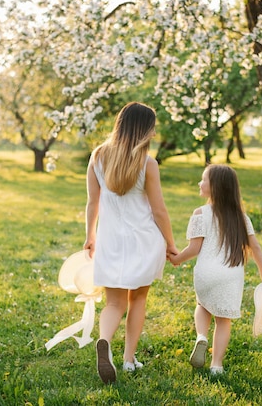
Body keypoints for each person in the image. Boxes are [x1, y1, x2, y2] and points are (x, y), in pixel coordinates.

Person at [84, 102, 178, 384]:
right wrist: (171, 243)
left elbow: (93, 201)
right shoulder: (147, 163)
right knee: (138, 298)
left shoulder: (98, 156)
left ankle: (104, 340)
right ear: (145, 129)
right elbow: (159, 210)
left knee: (114, 303)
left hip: (110, 240)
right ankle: (128, 359)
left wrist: (90, 236)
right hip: (143, 240)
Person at [169, 164, 262, 375]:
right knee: (223, 320)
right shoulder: (242, 218)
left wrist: (177, 259)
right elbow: (255, 247)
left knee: (203, 305)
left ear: (215, 187)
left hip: (207, 273)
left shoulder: (201, 213)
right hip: (231, 276)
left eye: (203, 179)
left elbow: (194, 248)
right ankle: (216, 364)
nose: (200, 183)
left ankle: (201, 336)